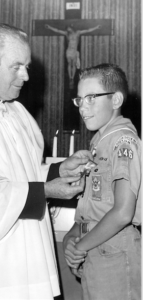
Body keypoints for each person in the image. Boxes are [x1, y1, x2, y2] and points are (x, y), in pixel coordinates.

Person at [0, 24, 92, 300]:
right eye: (17, 66)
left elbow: (20, 172)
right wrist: (47, 191)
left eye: (26, 66)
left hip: (30, 253)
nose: (26, 75)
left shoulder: (16, 111)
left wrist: (58, 170)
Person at [63, 63, 141, 300]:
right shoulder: (100, 143)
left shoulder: (123, 142)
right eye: (79, 100)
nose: (83, 108)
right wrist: (71, 240)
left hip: (115, 251)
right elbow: (93, 210)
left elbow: (122, 214)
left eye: (91, 98)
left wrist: (81, 246)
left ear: (116, 100)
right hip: (96, 248)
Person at [45, 23, 101, 88]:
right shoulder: (67, 34)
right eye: (67, 29)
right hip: (69, 51)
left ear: (72, 28)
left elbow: (87, 30)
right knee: (69, 64)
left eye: (69, 29)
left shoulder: (77, 33)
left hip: (74, 51)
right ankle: (70, 78)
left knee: (73, 64)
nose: (68, 30)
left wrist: (96, 27)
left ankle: (72, 78)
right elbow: (57, 30)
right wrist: (49, 27)